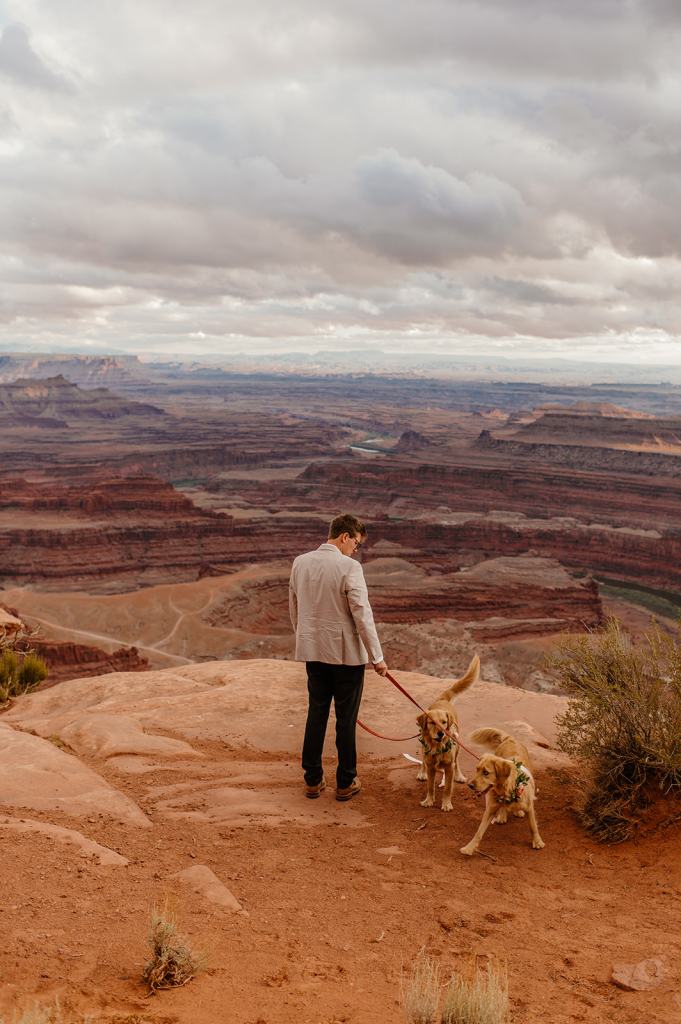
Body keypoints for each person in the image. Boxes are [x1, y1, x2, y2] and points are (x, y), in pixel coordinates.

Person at [289, 512, 388, 802]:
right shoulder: (349, 567)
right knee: (346, 719)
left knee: (316, 713)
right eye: (356, 544)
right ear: (345, 536)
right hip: (346, 658)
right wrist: (377, 657)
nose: (355, 550)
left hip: (314, 653)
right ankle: (345, 782)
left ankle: (312, 779)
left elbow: (294, 607)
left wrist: (304, 639)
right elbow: (362, 614)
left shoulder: (300, 562)